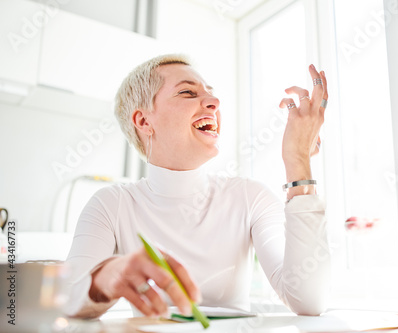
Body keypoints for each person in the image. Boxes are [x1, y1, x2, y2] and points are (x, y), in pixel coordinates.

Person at [64, 54, 331, 319]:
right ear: (144, 122)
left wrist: (297, 161)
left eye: (211, 94)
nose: (214, 102)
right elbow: (67, 302)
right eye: (187, 93)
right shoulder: (111, 205)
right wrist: (108, 276)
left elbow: (309, 301)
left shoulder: (250, 197)